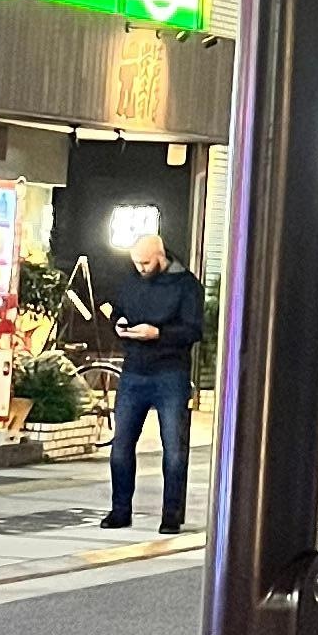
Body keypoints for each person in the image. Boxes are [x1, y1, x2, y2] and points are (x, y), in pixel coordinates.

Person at [101, 226, 206, 532]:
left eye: (146, 263)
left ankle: (171, 514)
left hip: (171, 372)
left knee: (174, 449)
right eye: (136, 263)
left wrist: (158, 333)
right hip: (134, 370)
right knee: (121, 446)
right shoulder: (131, 281)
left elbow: (193, 330)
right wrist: (118, 323)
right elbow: (117, 309)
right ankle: (120, 510)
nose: (141, 268)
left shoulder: (186, 285)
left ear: (161, 256)